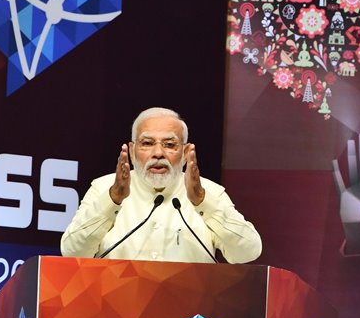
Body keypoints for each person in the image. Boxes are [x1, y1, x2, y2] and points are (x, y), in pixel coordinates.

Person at [60, 107, 262, 263]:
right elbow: (72, 251)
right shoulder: (103, 188)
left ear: (185, 153)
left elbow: (248, 252)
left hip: (190, 306)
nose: (158, 153)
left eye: (170, 145)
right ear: (132, 151)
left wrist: (202, 201)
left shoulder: (210, 193)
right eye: (147, 143)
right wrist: (113, 199)